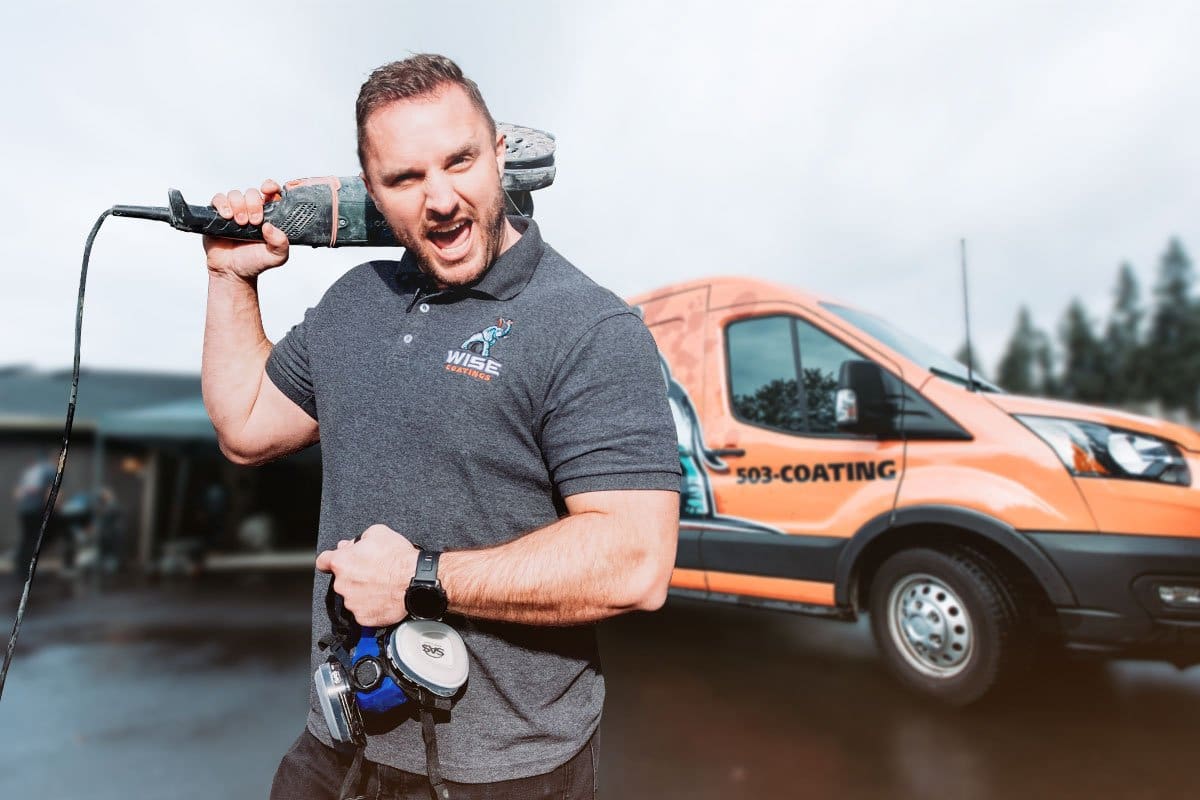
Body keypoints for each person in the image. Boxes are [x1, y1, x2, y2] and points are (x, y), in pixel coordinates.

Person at [200, 54, 680, 799]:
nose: (442, 199)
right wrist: (231, 278)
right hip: (337, 743)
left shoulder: (589, 327)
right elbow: (246, 425)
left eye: (460, 161)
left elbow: (635, 560)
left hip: (508, 772)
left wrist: (421, 578)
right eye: (405, 179)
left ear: (499, 154)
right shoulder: (355, 301)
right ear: (375, 193)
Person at [12, 450, 57, 581]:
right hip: (36, 509)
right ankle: (27, 571)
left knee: (27, 538)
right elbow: (52, 492)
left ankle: (21, 568)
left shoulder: (30, 471)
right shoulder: (49, 470)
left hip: (24, 510)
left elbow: (17, 493)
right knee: (34, 539)